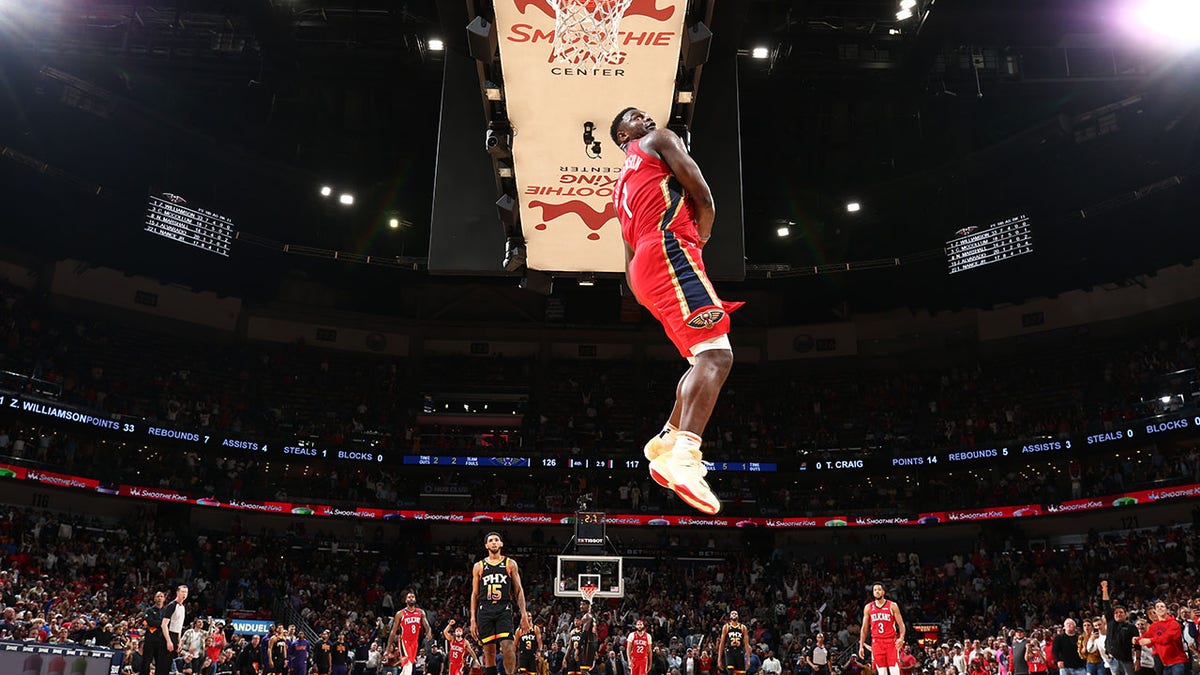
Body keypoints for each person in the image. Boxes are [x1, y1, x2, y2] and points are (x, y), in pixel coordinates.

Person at [610, 106, 742, 516]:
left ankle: (668, 437)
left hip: (644, 273)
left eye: (644, 113)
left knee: (700, 358)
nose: (645, 117)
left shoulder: (619, 188)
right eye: (633, 117)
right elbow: (703, 196)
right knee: (718, 356)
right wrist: (698, 239)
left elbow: (627, 253)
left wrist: (642, 286)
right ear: (622, 137)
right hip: (671, 251)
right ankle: (685, 457)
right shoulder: (659, 140)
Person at [470, 532, 532, 675]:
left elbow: (518, 590)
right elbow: (474, 594)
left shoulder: (510, 563)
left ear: (501, 544)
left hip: (503, 608)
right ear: (486, 545)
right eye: (491, 540)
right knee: (489, 653)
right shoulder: (479, 566)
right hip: (484, 609)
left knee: (508, 647)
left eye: (496, 540)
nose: (494, 542)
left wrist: (524, 614)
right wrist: (472, 619)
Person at [858, 583, 906, 675]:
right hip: (877, 642)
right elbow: (864, 628)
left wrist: (901, 637)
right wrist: (861, 646)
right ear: (873, 593)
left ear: (883, 592)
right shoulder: (868, 607)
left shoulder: (892, 606)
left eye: (879, 589)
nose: (877, 591)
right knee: (882, 672)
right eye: (875, 590)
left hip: (891, 641)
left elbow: (901, 624)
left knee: (895, 671)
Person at [1136, 602, 1187, 675]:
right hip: (1165, 663)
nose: (1159, 608)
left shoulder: (1174, 623)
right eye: (1157, 607)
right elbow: (1146, 637)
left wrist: (1150, 640)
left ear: (1167, 610)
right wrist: (1137, 640)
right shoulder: (1153, 626)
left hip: (1177, 662)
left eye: (1162, 606)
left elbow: (1167, 638)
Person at [387, 592, 436, 669]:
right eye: (409, 597)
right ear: (406, 600)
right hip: (404, 641)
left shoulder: (420, 612)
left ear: (415, 599)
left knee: (409, 665)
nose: (411, 598)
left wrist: (429, 632)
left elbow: (427, 625)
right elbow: (393, 631)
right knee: (408, 665)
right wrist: (388, 648)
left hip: (414, 642)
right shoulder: (400, 614)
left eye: (413, 597)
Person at [139, 591, 172, 675]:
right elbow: (149, 622)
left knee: (160, 664)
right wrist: (162, 624)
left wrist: (158, 623)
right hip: (150, 640)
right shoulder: (149, 610)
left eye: (161, 596)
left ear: (164, 599)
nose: (159, 598)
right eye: (157, 596)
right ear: (154, 599)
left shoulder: (167, 611)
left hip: (162, 641)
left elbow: (169, 624)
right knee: (146, 662)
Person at [165, 585, 189, 659]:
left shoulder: (182, 607)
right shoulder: (172, 605)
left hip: (176, 636)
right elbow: (164, 624)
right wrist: (168, 641)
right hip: (169, 634)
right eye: (182, 592)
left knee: (172, 660)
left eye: (186, 592)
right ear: (177, 593)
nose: (184, 594)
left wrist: (179, 642)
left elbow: (179, 626)